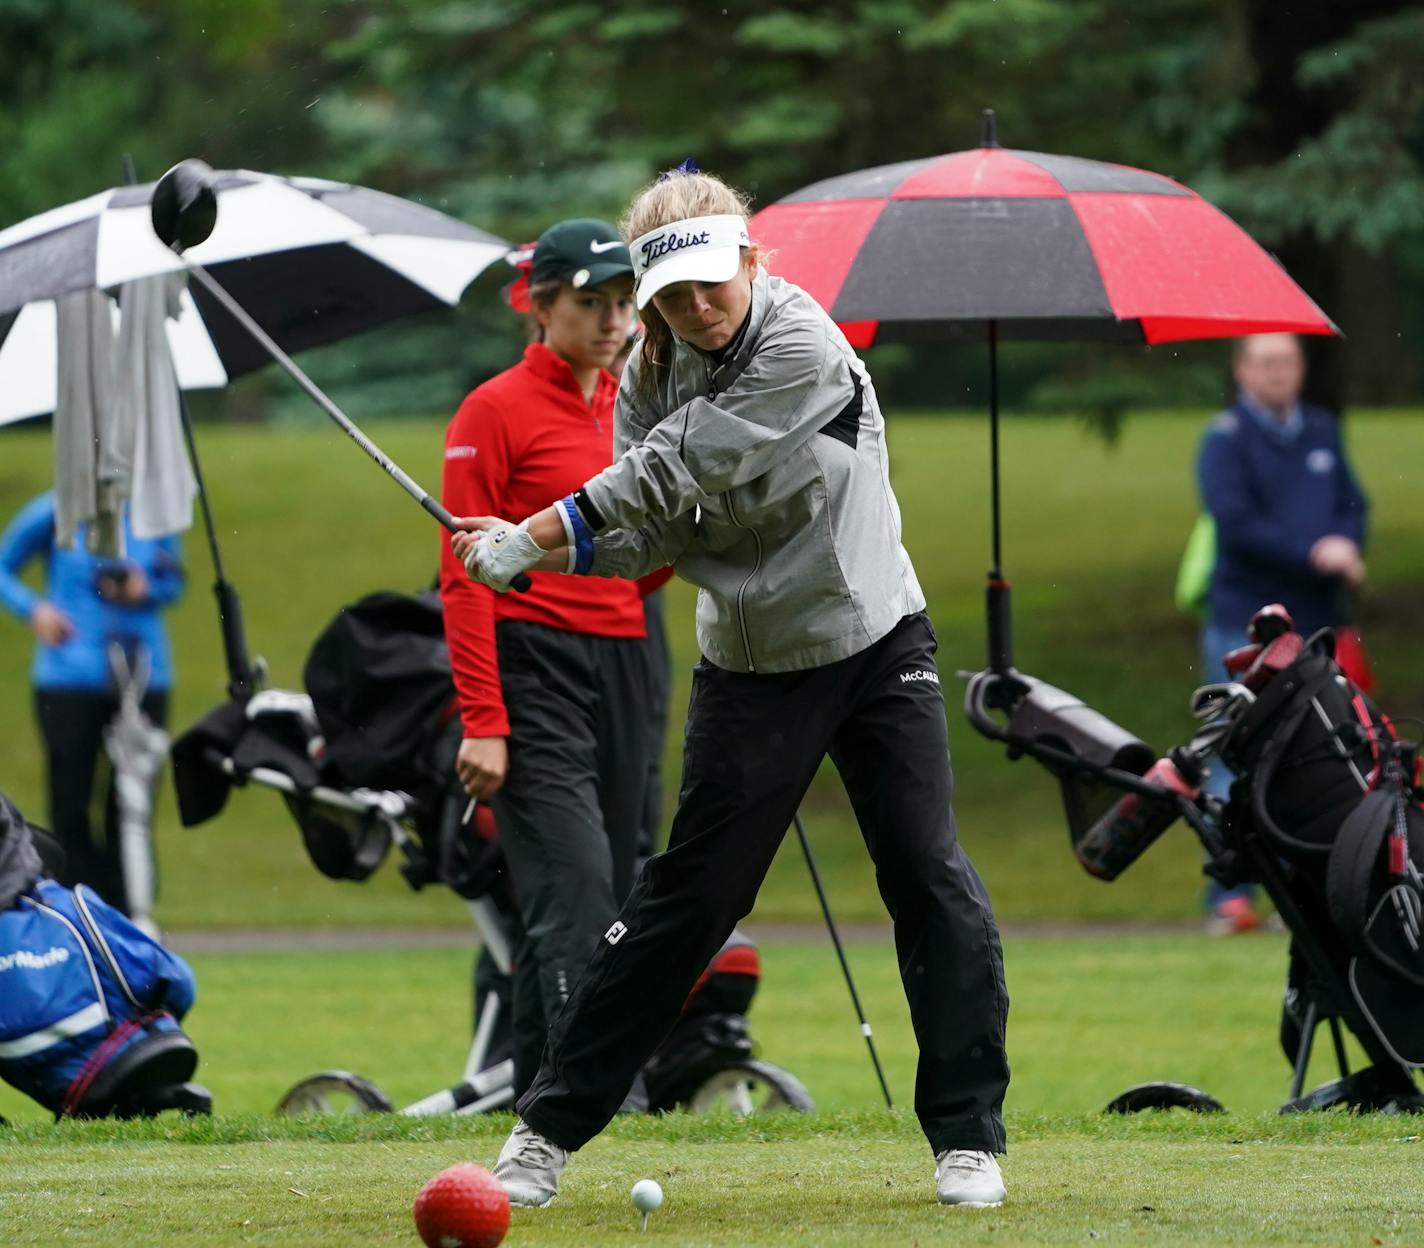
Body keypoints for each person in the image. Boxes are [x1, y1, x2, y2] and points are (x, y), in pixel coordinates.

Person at [454, 169, 1011, 1210]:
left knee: (925, 871)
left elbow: (679, 466)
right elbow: (649, 540)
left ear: (751, 263)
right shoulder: (646, 373)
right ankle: (545, 1129)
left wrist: (531, 531)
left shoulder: (802, 345)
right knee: (687, 900)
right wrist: (543, 559)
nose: (696, 308)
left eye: (713, 284)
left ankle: (967, 1135)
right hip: (750, 667)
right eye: (670, 297)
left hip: (872, 639)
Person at [438, 218, 656, 1101]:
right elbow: (463, 583)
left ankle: (541, 1104)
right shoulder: (491, 411)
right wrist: (484, 722)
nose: (611, 322)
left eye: (622, 305)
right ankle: (604, 1102)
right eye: (590, 303)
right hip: (533, 666)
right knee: (575, 891)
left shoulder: (636, 404)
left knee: (610, 893)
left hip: (629, 661)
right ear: (540, 305)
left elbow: (655, 557)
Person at [1195, 332, 1369, 933]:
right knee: (1236, 755)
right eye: (1265, 362)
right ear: (1242, 370)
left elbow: (1353, 502)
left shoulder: (1320, 428)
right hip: (1246, 624)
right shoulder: (1226, 440)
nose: (1277, 372)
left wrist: (1348, 542)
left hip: (1317, 624)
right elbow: (1237, 526)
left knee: (1322, 755)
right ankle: (1230, 895)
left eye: (1287, 361)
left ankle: (1306, 887)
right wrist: (1314, 552)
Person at [0, 492, 183, 915]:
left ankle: (131, 916)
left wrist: (145, 587)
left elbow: (172, 580)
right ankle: (84, 911)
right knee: (70, 804)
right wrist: (35, 610)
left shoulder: (153, 513)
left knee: (132, 807)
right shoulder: (54, 510)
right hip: (69, 675)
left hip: (143, 671)